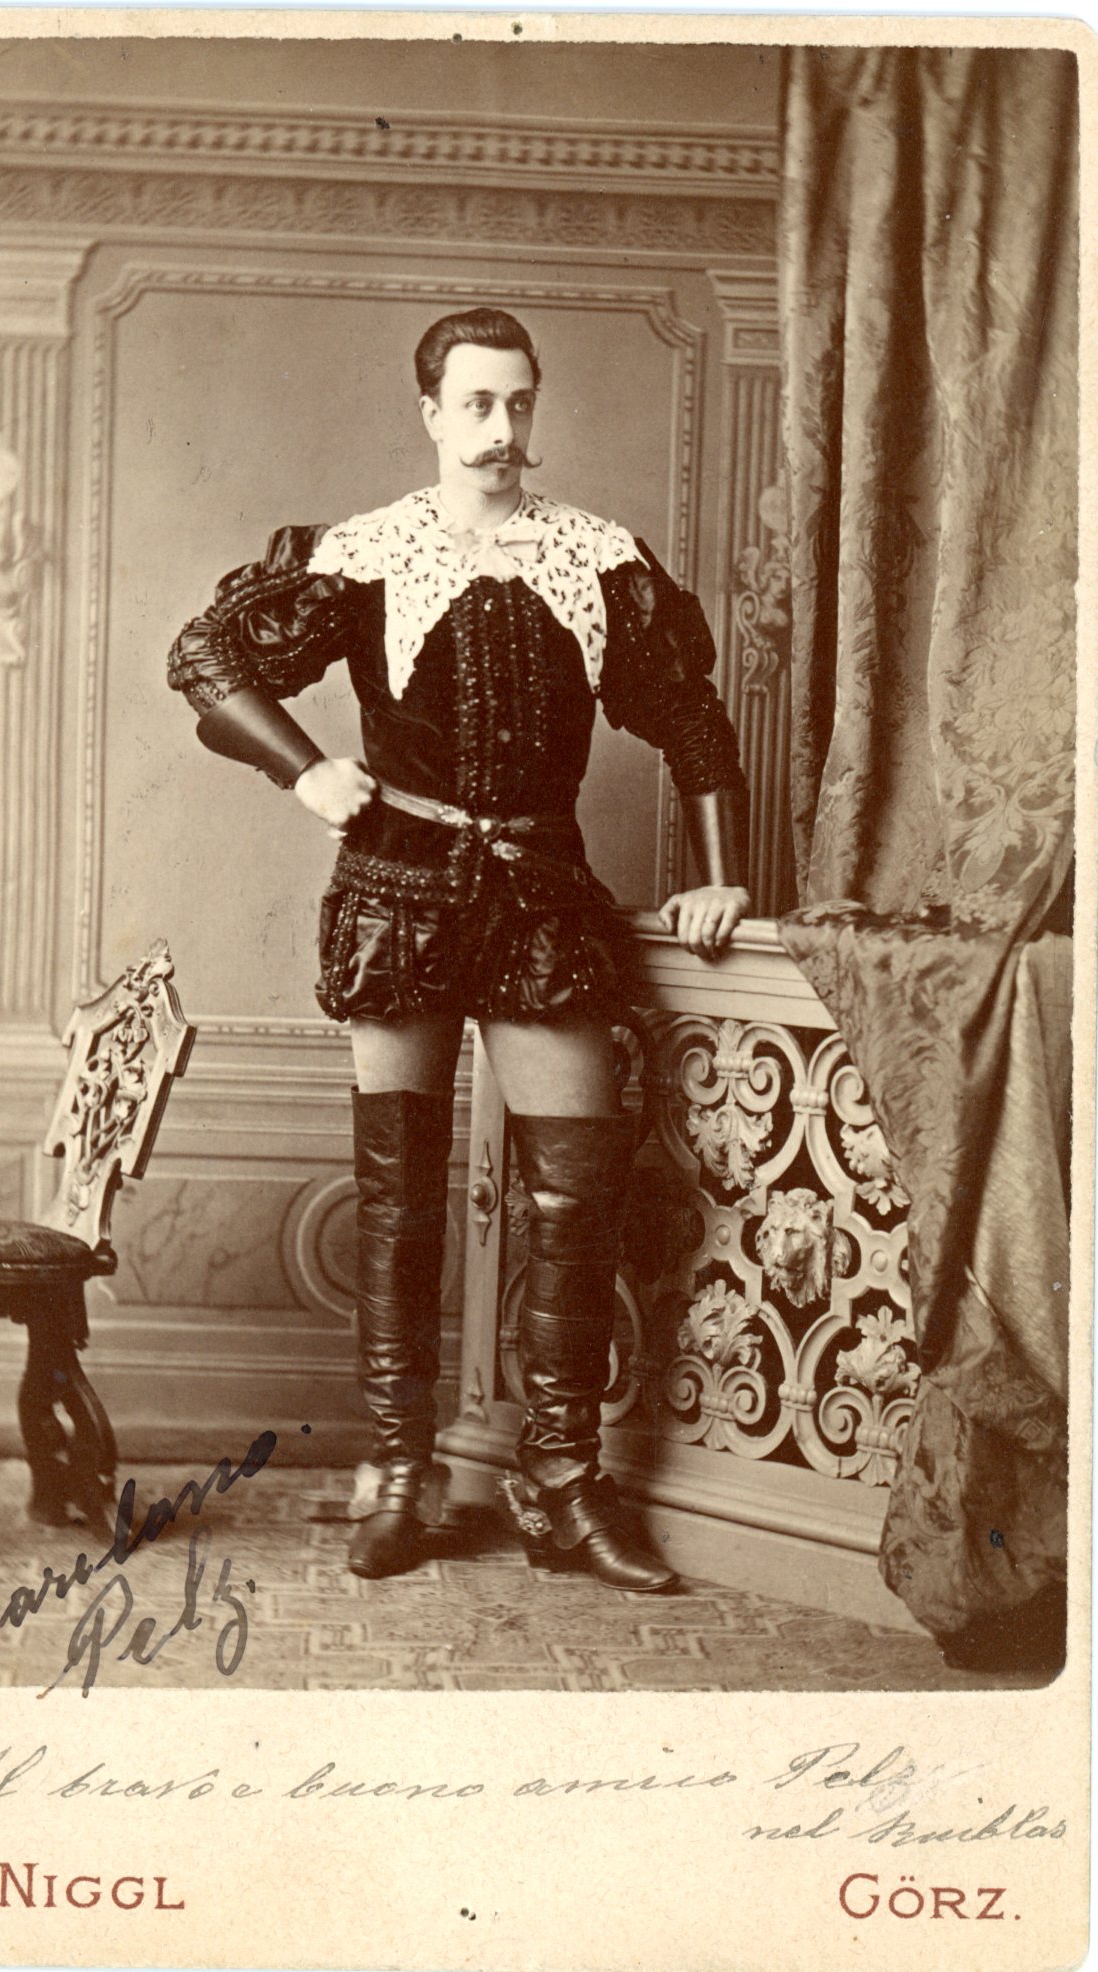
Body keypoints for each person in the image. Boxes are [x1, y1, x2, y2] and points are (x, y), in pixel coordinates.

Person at [168, 307, 750, 1593]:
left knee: (575, 1196)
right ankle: (400, 1472)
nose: (501, 428)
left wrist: (720, 877)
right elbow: (205, 658)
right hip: (398, 890)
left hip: (543, 892)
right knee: (399, 1195)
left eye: (519, 402)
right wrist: (305, 769)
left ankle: (564, 1484)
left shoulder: (599, 559)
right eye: (477, 403)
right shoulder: (365, 554)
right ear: (431, 412)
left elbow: (694, 721)